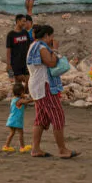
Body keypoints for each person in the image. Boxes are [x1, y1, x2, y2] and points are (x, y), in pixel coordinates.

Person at [26, 25, 77, 159]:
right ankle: (62, 149)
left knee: (41, 118)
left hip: (37, 85)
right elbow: (51, 63)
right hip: (44, 85)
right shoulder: (42, 47)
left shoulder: (33, 46)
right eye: (51, 36)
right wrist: (54, 50)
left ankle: (35, 149)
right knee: (57, 115)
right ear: (47, 36)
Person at [1, 83, 33, 153]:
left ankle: (6, 146)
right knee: (21, 133)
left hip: (11, 119)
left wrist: (24, 98)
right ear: (21, 92)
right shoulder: (20, 100)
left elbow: (25, 106)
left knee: (12, 133)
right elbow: (27, 102)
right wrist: (34, 99)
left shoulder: (14, 99)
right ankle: (22, 147)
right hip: (17, 120)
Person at [5, 14, 31, 86]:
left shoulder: (25, 33)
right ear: (18, 21)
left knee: (28, 80)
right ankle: (19, 95)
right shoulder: (11, 34)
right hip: (15, 62)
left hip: (26, 62)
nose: (25, 23)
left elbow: (29, 46)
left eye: (25, 21)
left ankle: (26, 94)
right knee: (17, 81)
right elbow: (8, 50)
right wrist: (8, 64)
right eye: (23, 21)